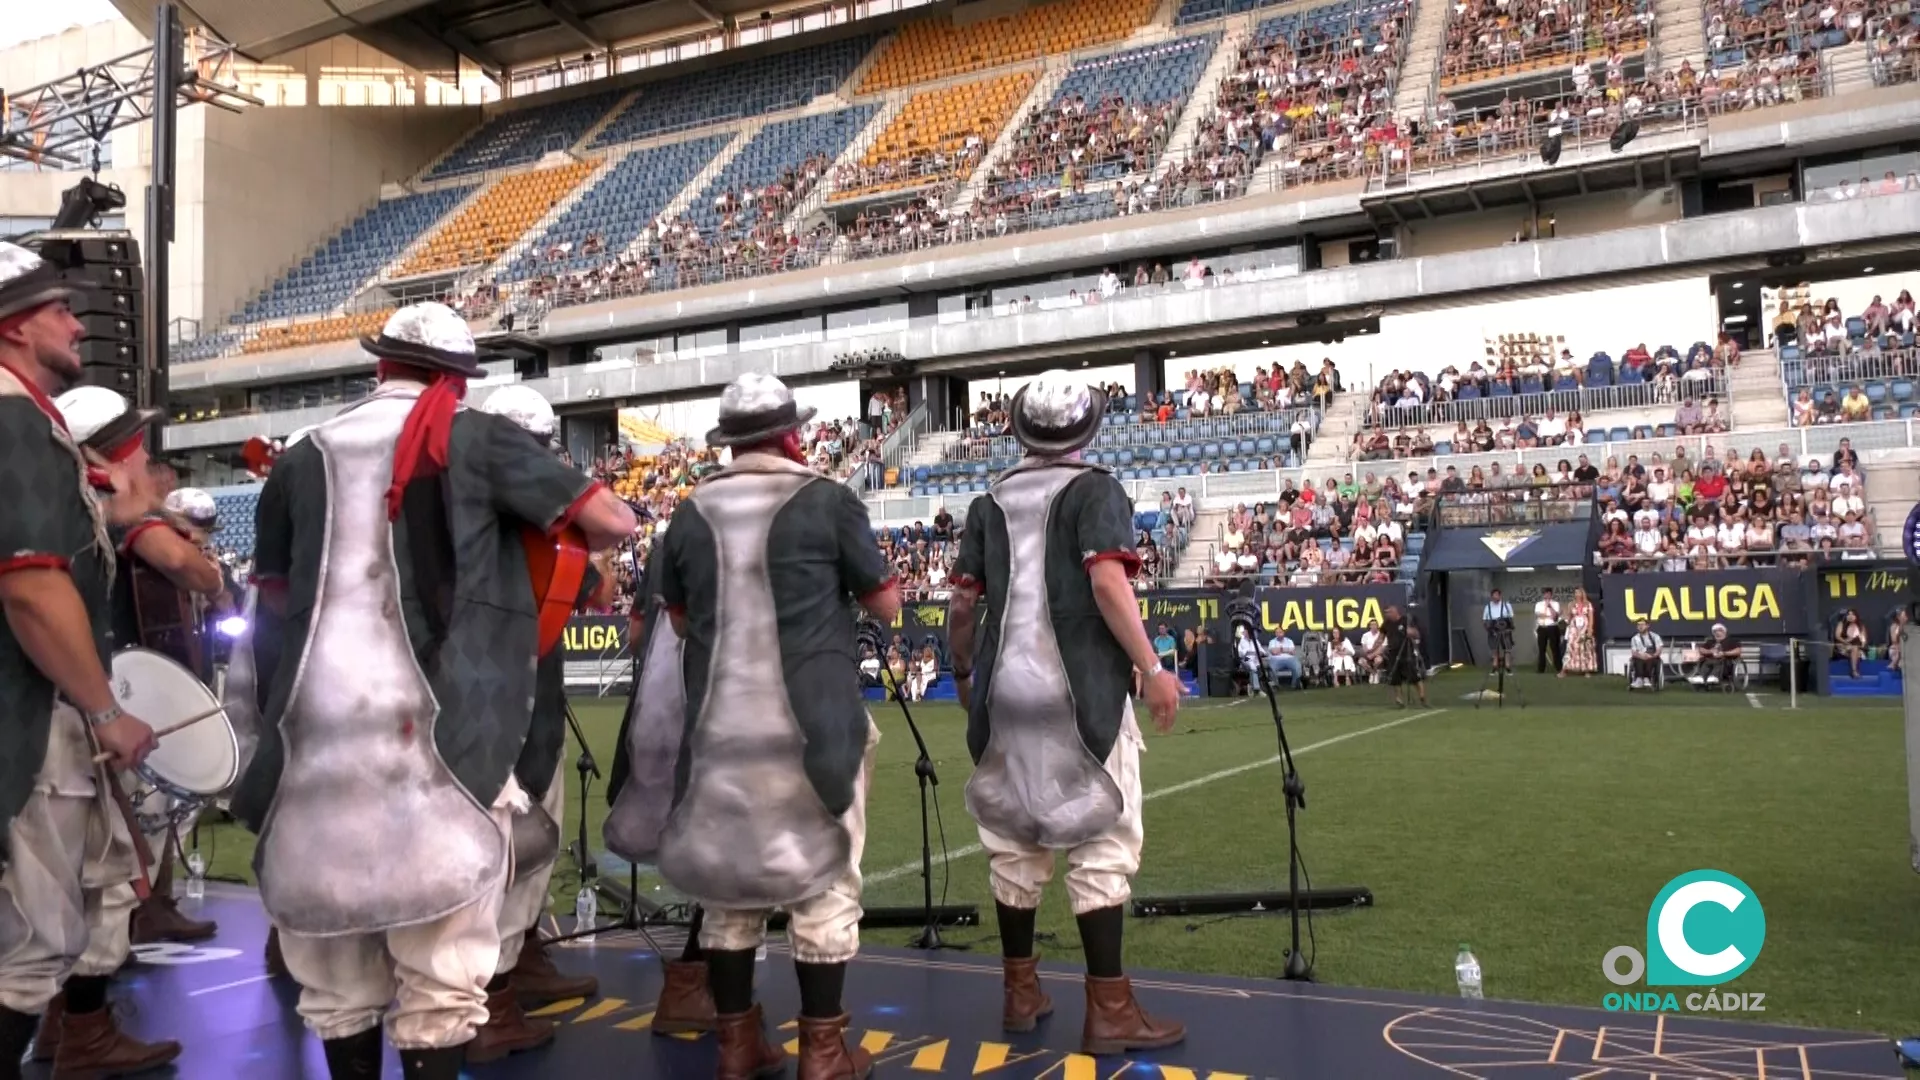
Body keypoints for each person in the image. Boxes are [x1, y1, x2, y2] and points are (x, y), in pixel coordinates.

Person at [231, 302, 638, 1079]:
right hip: (442, 736)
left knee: (337, 981)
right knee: (442, 970)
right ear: (454, 378)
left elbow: (276, 600)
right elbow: (611, 521)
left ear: (381, 365)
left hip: (315, 738)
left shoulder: (300, 457)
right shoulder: (473, 436)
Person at [606, 371, 900, 1078]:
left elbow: (676, 618)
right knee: (826, 883)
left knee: (726, 892)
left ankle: (737, 1045)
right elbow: (887, 603)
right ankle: (824, 1051)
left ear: (730, 443)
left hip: (714, 736)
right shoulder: (827, 499)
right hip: (814, 727)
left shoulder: (688, 511)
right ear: (792, 434)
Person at [946, 369, 1186, 1057]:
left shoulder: (988, 503)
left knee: (1012, 846)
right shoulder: (1096, 489)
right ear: (1086, 430)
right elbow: (1108, 581)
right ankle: (1109, 1009)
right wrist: (1152, 668)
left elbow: (963, 605)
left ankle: (1021, 995)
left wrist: (963, 671)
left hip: (1000, 695)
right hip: (1083, 692)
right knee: (1104, 842)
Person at [0, 241, 182, 1077]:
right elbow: (34, 588)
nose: (78, 322)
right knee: (30, 948)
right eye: (58, 308)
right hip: (24, 721)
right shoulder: (16, 423)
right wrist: (105, 712)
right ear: (13, 325)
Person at [468, 384, 615, 1061]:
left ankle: (516, 959)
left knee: (501, 849)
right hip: (519, 707)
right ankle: (490, 998)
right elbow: (596, 587)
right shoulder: (530, 515)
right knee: (518, 843)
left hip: (468, 702)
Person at [1379, 606, 1429, 708]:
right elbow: (1381, 637)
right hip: (1393, 653)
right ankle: (1399, 700)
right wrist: (1376, 649)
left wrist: (1411, 632)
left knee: (1414, 676)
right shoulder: (1386, 623)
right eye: (1386, 613)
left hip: (1406, 653)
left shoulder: (1405, 620)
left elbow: (1417, 635)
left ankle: (1422, 697)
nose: (1387, 615)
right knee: (1395, 678)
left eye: (1389, 613)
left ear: (1395, 612)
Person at [1560, 587, 1597, 677]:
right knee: (1570, 647)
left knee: (1585, 648)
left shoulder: (1588, 604)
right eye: (1576, 593)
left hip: (1585, 627)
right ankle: (1565, 669)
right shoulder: (1571, 604)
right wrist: (1566, 621)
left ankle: (1587, 670)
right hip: (1574, 628)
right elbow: (1569, 617)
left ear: (1582, 594)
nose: (1577, 595)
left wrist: (1590, 630)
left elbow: (1591, 617)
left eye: (1579, 593)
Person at [1690, 623, 1740, 688]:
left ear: (1724, 632)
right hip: (1709, 661)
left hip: (1725, 663)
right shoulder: (1710, 642)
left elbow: (1738, 651)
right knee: (1706, 662)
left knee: (1718, 662)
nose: (1717, 633)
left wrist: (1724, 653)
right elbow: (1701, 649)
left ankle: (1713, 676)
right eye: (1715, 631)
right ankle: (1702, 677)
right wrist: (1710, 651)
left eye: (1719, 631)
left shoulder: (1731, 641)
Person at [1483, 589, 1515, 671]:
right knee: (1494, 648)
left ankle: (1507, 665)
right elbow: (1485, 620)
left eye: (1497, 595)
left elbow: (1511, 618)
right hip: (1493, 627)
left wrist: (1510, 628)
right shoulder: (1488, 607)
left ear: (1500, 596)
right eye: (1493, 595)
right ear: (1491, 596)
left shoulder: (1506, 605)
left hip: (1505, 627)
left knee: (1507, 647)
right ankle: (1495, 665)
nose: (1495, 597)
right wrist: (1488, 629)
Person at [1533, 587, 1563, 673]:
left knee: (1555, 648)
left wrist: (1550, 607)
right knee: (1541, 649)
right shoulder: (1539, 604)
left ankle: (1559, 668)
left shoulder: (1556, 604)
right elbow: (1539, 615)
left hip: (1552, 627)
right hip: (1542, 627)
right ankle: (1541, 669)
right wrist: (1548, 616)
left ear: (1551, 594)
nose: (1547, 595)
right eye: (1545, 593)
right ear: (1543, 594)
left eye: (1549, 593)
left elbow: (1555, 617)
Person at [1629, 619, 1663, 689]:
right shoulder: (1634, 638)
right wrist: (1641, 656)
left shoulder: (1655, 636)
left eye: (1642, 624)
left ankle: (1647, 678)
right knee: (1637, 658)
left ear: (1647, 626)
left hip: (1652, 656)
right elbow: (1633, 652)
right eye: (1638, 625)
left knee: (1650, 659)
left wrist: (1651, 656)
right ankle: (1639, 679)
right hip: (1639, 656)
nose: (1640, 626)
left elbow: (1659, 650)